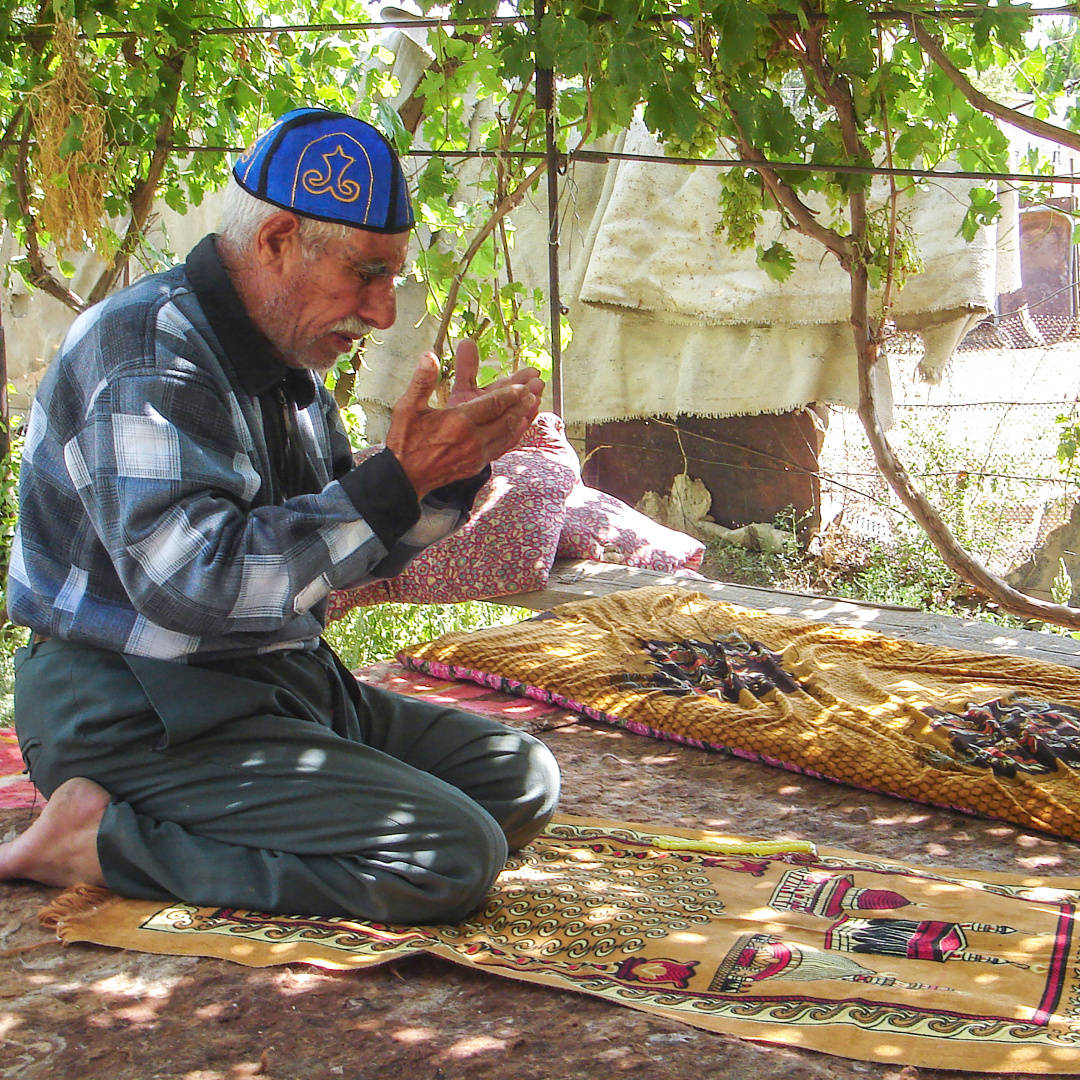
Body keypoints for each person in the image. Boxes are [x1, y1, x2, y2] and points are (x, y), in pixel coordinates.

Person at [0, 108, 560, 924]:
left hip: (273, 683)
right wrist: (388, 486)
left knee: (521, 776)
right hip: (139, 710)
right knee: (449, 855)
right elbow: (194, 584)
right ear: (276, 241)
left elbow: (342, 548)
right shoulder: (147, 353)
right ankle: (102, 841)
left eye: (390, 279)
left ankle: (234, 805)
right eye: (368, 274)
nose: (382, 313)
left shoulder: (285, 362)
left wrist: (441, 481)